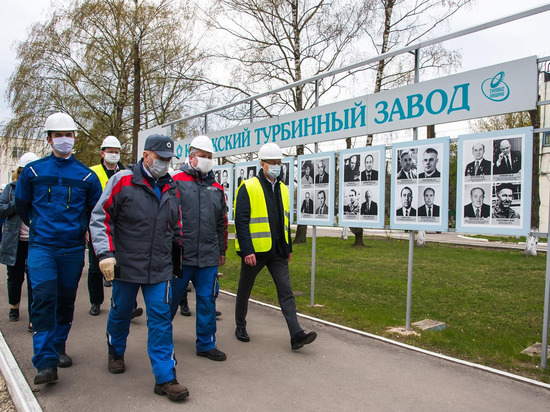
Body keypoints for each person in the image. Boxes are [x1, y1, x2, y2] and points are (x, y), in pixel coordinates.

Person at [90, 134, 189, 401]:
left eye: (169, 160)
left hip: (159, 268)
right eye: (160, 159)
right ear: (146, 156)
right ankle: (115, 351)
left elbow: (176, 226)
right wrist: (105, 254)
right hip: (126, 265)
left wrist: (178, 260)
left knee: (160, 319)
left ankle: (166, 377)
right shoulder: (122, 181)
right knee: (121, 312)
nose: (165, 164)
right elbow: (100, 217)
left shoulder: (171, 187)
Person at [15, 113, 102, 385]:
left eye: (68, 135)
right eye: (58, 135)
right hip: (42, 247)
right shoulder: (33, 172)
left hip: (72, 249)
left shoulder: (87, 176)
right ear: (49, 138)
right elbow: (22, 206)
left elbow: (95, 212)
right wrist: (39, 226)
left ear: (75, 137)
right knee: (43, 299)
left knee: (65, 299)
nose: (63, 140)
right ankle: (45, 362)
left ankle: (59, 345)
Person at [234, 143, 316, 350]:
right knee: (245, 289)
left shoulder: (284, 189)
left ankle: (296, 334)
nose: (277, 166)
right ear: (262, 164)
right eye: (273, 163)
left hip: (278, 251)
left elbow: (285, 221)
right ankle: (240, 326)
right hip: (256, 252)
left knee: (286, 292)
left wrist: (288, 248)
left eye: (279, 163)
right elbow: (241, 222)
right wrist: (247, 250)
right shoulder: (248, 186)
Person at [170, 135, 228, 362]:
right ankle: (161, 339)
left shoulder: (215, 188)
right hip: (180, 255)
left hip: (208, 256)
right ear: (191, 157)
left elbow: (221, 222)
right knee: (170, 300)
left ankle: (205, 344)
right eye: (203, 156)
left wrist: (222, 250)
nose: (206, 160)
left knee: (207, 300)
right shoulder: (175, 180)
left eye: (210, 157)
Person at [87, 135, 143, 319]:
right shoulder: (92, 172)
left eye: (116, 152)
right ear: (102, 153)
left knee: (123, 268)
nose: (113, 155)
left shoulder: (127, 172)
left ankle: (128, 305)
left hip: (121, 228)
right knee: (96, 268)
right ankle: (96, 301)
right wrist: (88, 229)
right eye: (110, 152)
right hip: (99, 226)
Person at [0, 152, 39, 332]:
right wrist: (18, 202)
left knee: (34, 280)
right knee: (15, 278)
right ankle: (14, 306)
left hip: (35, 241)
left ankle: (33, 318)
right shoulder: (10, 188)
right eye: (24, 170)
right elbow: (2, 210)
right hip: (15, 241)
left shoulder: (40, 188)